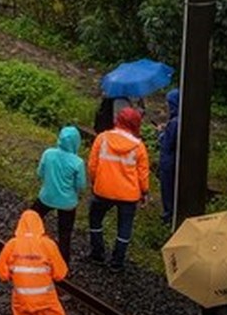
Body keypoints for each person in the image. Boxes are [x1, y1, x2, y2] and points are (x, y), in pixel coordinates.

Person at [0, 209, 88, 315]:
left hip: (21, 300)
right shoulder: (47, 244)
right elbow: (61, 273)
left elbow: (1, 273)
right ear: (40, 225)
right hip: (46, 300)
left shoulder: (12, 245)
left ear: (20, 225)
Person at [87, 106, 150, 271]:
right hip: (128, 194)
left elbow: (92, 165)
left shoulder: (102, 138)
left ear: (118, 120)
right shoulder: (139, 146)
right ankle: (117, 262)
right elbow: (142, 174)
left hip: (103, 189)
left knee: (95, 219)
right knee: (124, 227)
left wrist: (95, 182)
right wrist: (144, 192)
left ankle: (98, 254)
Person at [31, 125, 87, 263]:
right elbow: (81, 185)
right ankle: (63, 262)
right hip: (67, 202)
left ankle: (30, 246)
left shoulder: (48, 153)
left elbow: (40, 173)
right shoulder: (77, 162)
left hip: (47, 197)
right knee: (65, 233)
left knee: (32, 218)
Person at [157, 88, 180, 225]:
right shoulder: (179, 119)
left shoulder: (175, 122)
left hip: (169, 162)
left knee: (167, 190)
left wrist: (160, 134)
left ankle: (169, 216)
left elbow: (167, 142)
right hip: (174, 161)